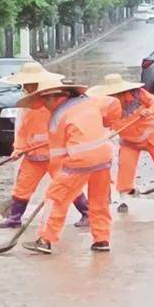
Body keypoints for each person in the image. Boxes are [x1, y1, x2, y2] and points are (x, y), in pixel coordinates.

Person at [22, 77, 122, 255]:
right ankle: (102, 240)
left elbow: (57, 156)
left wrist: (57, 181)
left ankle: (45, 239)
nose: (44, 105)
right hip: (104, 156)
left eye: (45, 101)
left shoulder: (57, 118)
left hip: (79, 160)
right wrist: (108, 122)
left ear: (56, 97)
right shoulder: (91, 101)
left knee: (55, 198)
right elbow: (114, 103)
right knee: (99, 200)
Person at [0, 63, 89, 229]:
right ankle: (15, 218)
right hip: (33, 155)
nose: (27, 87)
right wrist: (18, 148)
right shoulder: (27, 104)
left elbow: (68, 124)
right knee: (22, 187)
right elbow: (22, 130)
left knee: (66, 185)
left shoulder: (55, 101)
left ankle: (87, 213)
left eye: (30, 84)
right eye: (25, 84)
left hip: (55, 154)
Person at [86, 74, 154, 212]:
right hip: (129, 141)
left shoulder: (138, 94)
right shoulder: (107, 105)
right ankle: (123, 202)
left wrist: (150, 110)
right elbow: (102, 122)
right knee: (125, 167)